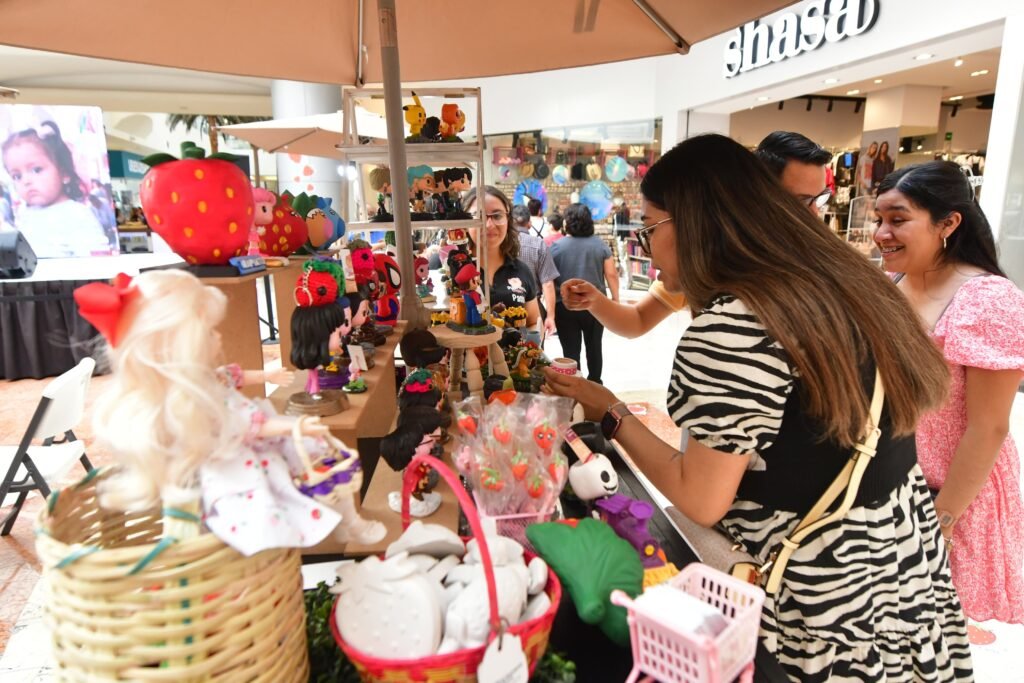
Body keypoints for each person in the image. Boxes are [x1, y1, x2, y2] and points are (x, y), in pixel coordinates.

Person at [545, 134, 973, 682]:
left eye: (651, 228)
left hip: (818, 594)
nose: (648, 246)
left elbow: (700, 496)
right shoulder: (851, 282)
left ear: (694, 223)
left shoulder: (732, 328)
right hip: (903, 564)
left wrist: (610, 411)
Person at [874, 161, 1024, 624]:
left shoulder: (988, 300)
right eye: (879, 219)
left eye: (898, 220)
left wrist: (941, 520)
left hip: (950, 495)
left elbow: (988, 427)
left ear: (949, 222)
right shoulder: (889, 284)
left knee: (935, 630)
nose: (882, 233)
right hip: (890, 484)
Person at [562, 130, 833, 340]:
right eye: (800, 202)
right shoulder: (708, 264)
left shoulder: (814, 278)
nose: (813, 215)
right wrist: (596, 301)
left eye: (819, 200)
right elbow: (638, 320)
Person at [2, 121, 111, 257]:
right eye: (17, 176)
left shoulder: (77, 214)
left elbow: (96, 261)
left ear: (64, 173)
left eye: (36, 170)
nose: (26, 181)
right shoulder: (26, 214)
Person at [467, 189, 557, 342]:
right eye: (479, 216)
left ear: (508, 220)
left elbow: (533, 322)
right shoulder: (453, 272)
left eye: (497, 216)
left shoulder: (521, 270)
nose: (489, 225)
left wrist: (528, 353)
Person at [550, 204, 618, 384]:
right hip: (595, 306)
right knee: (594, 346)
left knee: (571, 350)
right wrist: (616, 299)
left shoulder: (556, 247)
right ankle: (595, 383)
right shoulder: (600, 245)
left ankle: (575, 384)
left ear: (567, 223)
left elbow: (549, 279)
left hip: (565, 307)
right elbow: (611, 273)